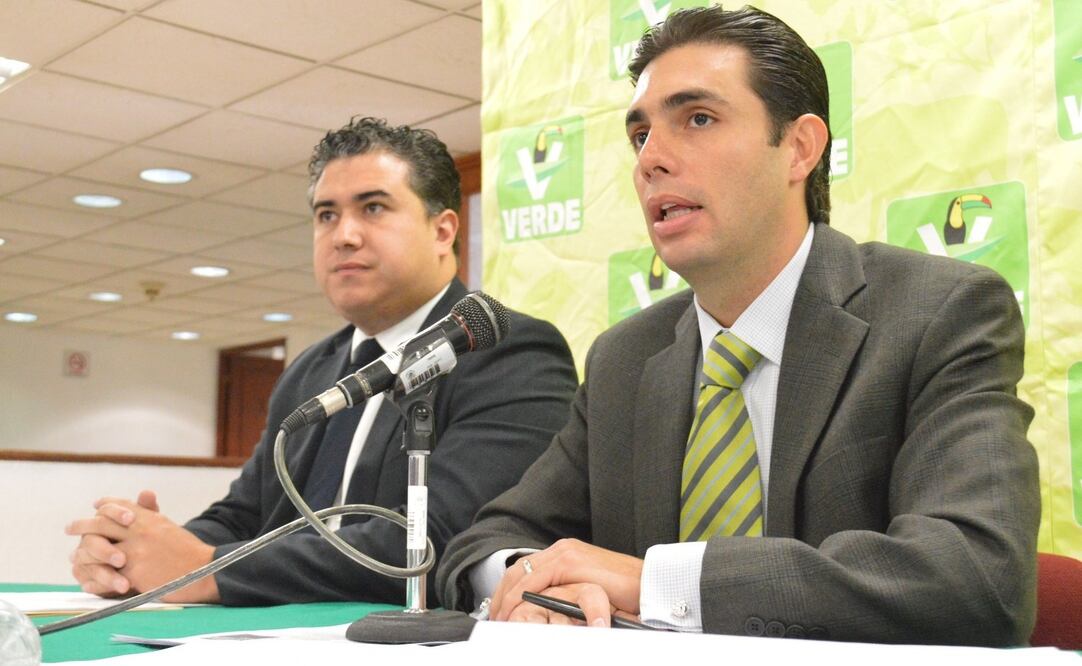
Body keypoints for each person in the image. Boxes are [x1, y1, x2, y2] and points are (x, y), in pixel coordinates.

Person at [436, 5, 1039, 646]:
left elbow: (977, 576)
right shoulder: (625, 358)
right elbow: (486, 540)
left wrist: (654, 583)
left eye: (697, 119)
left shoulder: (937, 313)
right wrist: (534, 581)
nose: (651, 160)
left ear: (800, 148)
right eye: (640, 136)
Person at [65, 117, 578, 606]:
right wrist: (138, 554)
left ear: (444, 231)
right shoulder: (310, 371)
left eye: (373, 208)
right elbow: (245, 516)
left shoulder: (509, 351)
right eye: (326, 214)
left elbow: (441, 537)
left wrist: (208, 569)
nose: (344, 235)